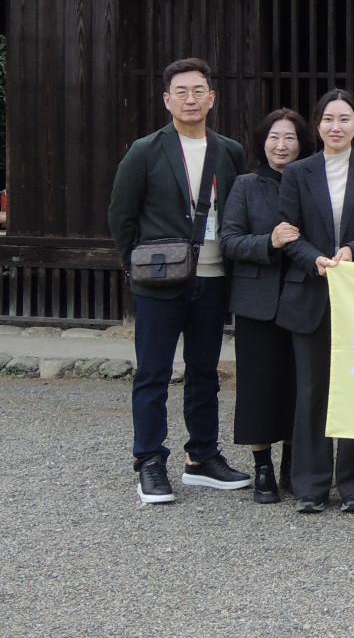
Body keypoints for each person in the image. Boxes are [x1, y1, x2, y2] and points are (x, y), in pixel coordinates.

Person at [107, 57, 251, 506]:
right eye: (182, 92)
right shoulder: (146, 149)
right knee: (152, 373)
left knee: (205, 371)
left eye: (199, 91)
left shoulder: (228, 150)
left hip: (213, 275)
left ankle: (202, 457)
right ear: (167, 100)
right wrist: (137, 267)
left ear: (213, 98)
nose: (191, 99)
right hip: (159, 280)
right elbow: (121, 216)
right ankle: (149, 461)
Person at [276, 88, 354, 516]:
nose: (336, 126)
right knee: (311, 391)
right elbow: (288, 231)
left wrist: (353, 250)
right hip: (310, 293)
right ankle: (310, 485)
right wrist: (315, 259)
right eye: (328, 119)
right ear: (318, 124)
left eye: (345, 118)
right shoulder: (299, 173)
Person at [219, 107, 309, 505]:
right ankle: (262, 467)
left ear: (301, 143)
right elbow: (229, 240)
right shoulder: (245, 185)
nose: (281, 145)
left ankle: (294, 462)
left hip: (302, 296)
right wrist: (267, 242)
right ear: (262, 141)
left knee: (296, 384)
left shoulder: (311, 181)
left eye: (289, 137)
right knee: (257, 387)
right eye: (274, 137)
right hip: (256, 300)